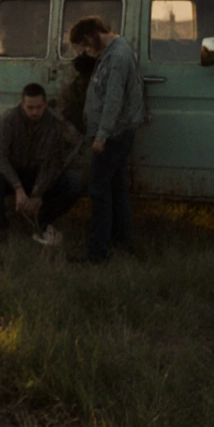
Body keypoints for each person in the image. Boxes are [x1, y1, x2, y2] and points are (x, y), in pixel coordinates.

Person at [69, 15, 145, 263]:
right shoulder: (112, 52)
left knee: (99, 189)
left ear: (93, 35)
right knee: (117, 188)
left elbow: (113, 101)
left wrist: (101, 137)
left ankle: (97, 253)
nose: (88, 50)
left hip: (113, 135)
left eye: (86, 44)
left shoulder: (117, 57)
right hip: (115, 133)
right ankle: (123, 243)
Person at [0, 83, 83, 245]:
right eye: (30, 108)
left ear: (45, 104)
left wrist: (38, 193)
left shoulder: (54, 123)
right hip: (15, 173)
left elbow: (54, 162)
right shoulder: (10, 119)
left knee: (74, 184)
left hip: (40, 174)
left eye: (38, 107)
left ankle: (41, 220)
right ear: (22, 105)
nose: (35, 112)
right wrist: (17, 187)